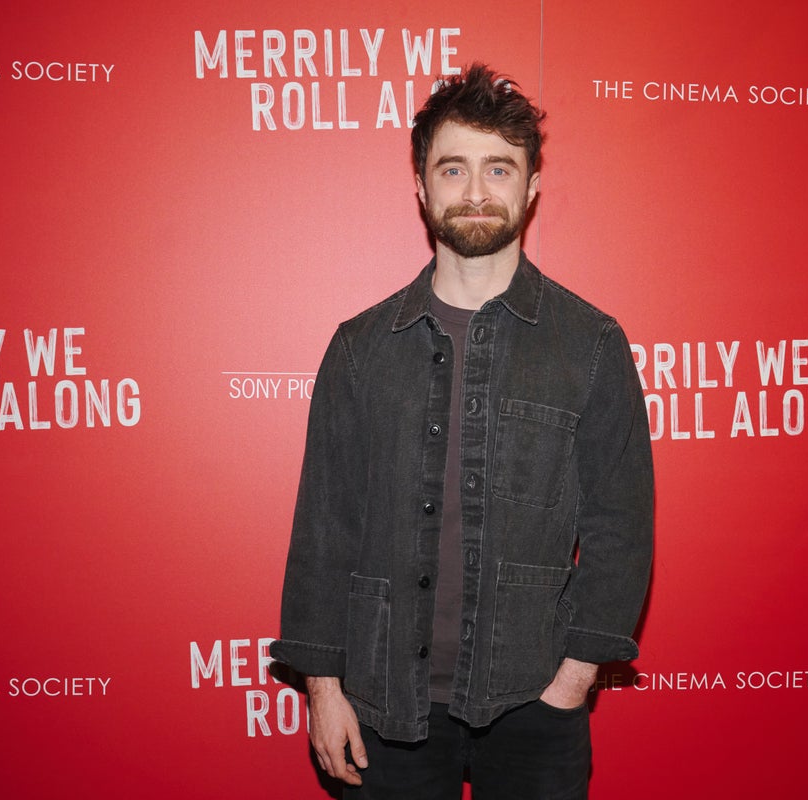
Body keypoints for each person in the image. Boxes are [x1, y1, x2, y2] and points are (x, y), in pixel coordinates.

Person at [270, 63, 654, 800]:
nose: (476, 191)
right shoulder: (361, 347)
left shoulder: (591, 344)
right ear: (422, 187)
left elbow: (621, 528)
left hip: (535, 702)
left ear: (531, 186)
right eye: (453, 168)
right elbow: (325, 527)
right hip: (383, 701)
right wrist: (323, 688)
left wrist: (572, 683)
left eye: (498, 169)